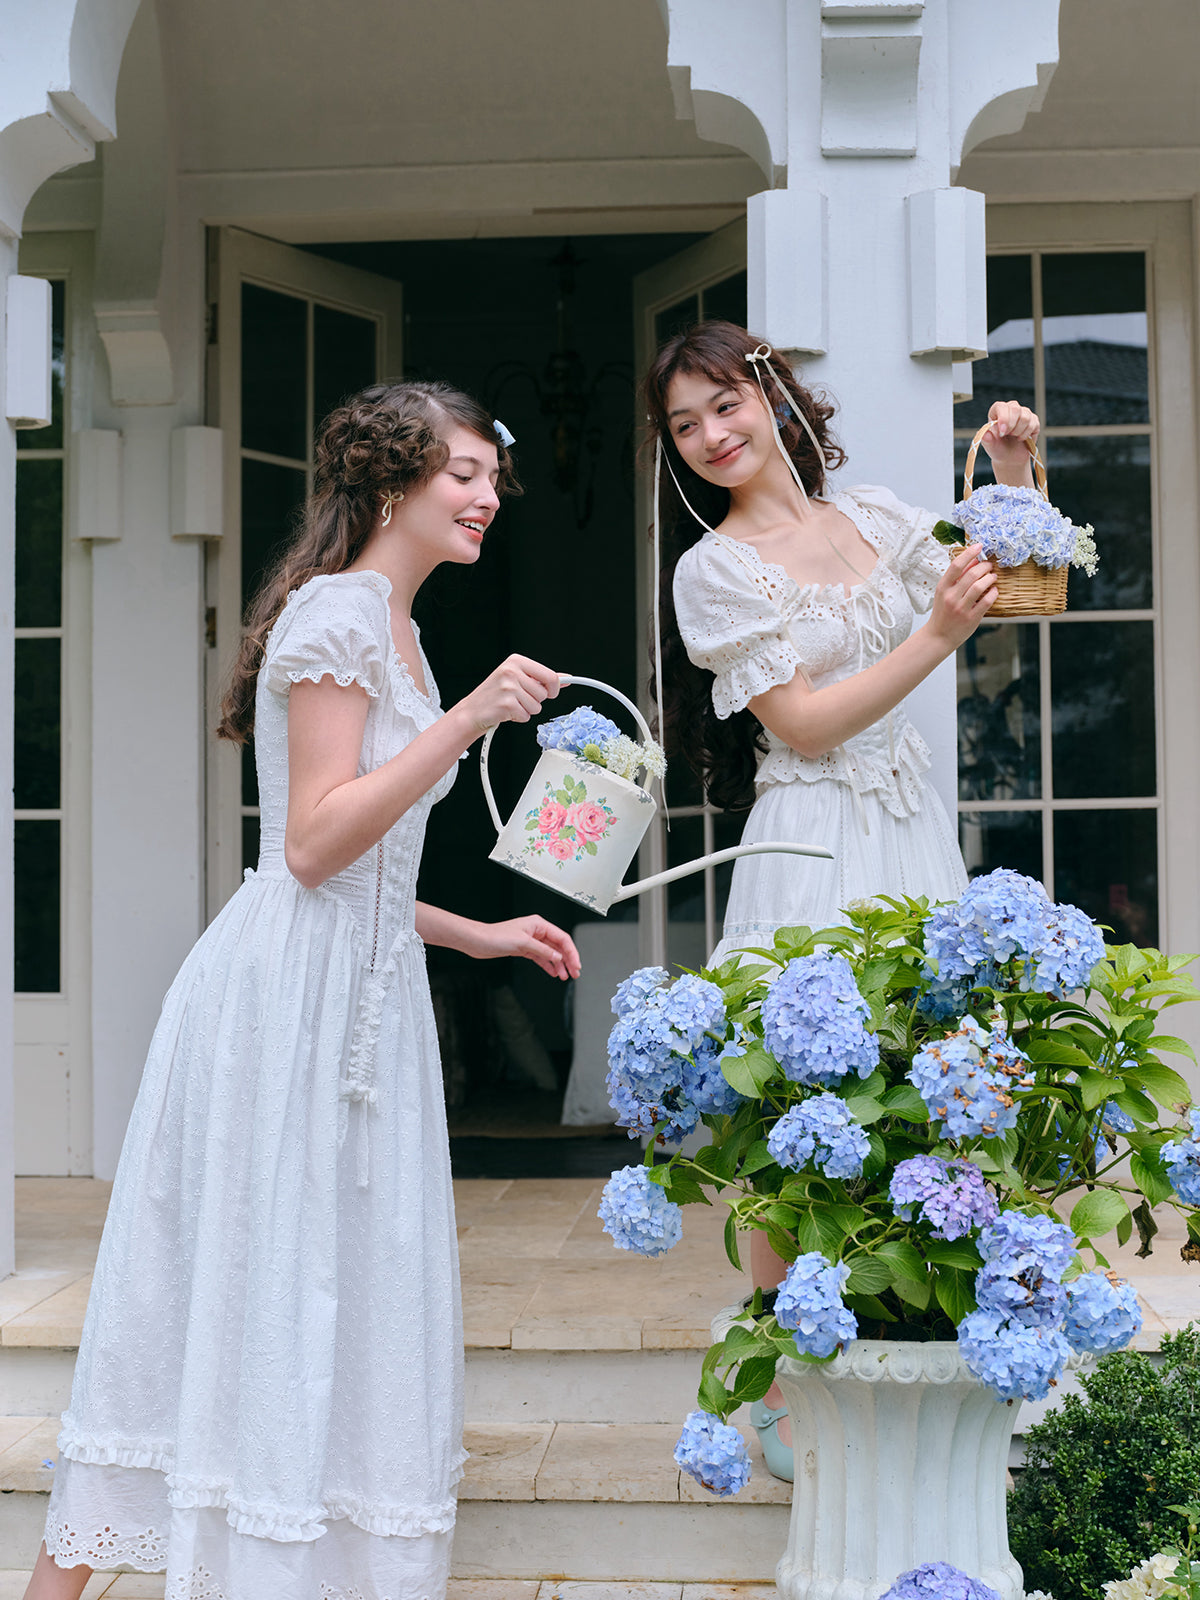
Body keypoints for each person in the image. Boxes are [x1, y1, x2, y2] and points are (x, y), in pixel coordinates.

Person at [25, 381, 581, 1600]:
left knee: (325, 1298)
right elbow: (314, 848)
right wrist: (474, 718)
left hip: (360, 997)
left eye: (494, 477)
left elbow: (362, 875)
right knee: (216, 1288)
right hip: (280, 1005)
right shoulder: (337, 613)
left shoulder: (397, 624)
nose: (488, 497)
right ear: (393, 482)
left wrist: (480, 935)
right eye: (465, 475)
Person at [645, 319, 1040, 1477]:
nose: (713, 434)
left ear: (769, 394)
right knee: (790, 1104)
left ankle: (938, 1357)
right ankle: (786, 1382)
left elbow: (1009, 601)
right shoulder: (711, 569)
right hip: (810, 837)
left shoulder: (874, 518)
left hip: (909, 827)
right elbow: (806, 721)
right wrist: (931, 633)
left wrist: (1009, 479)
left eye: (724, 403)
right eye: (684, 425)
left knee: (940, 1077)